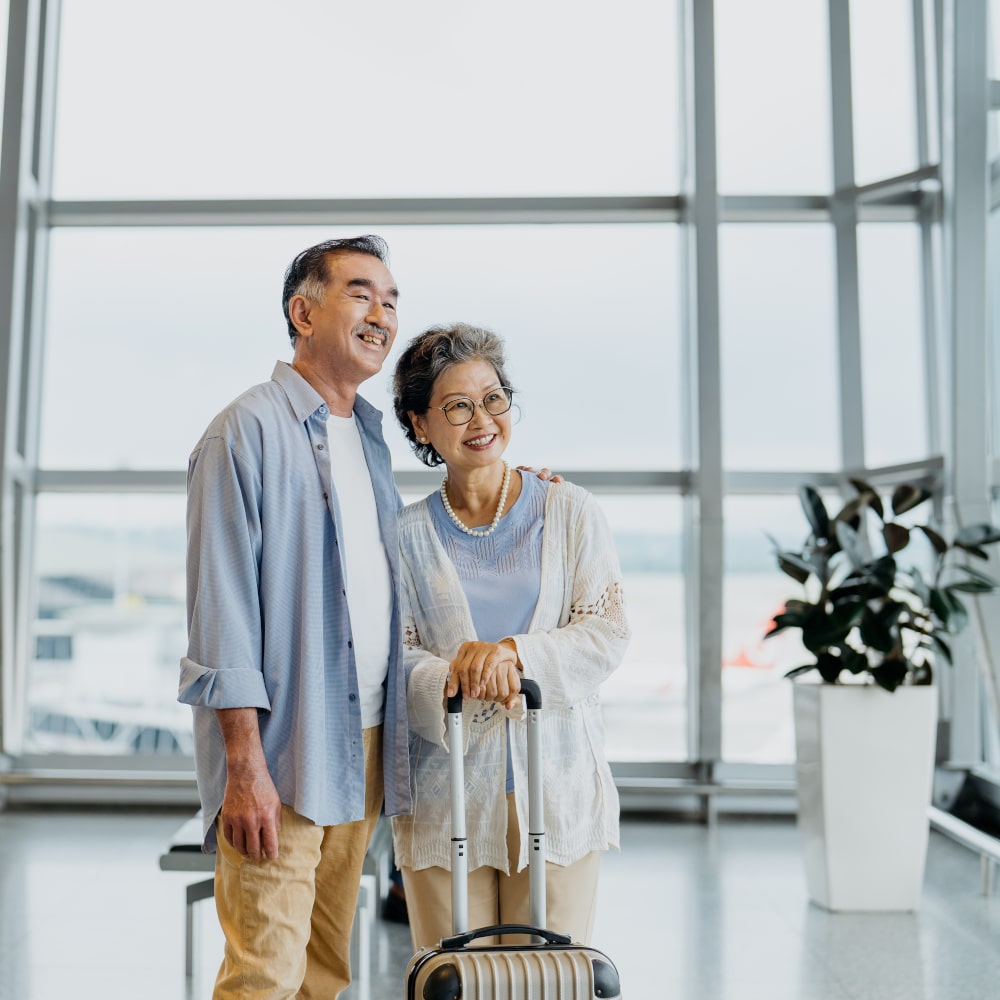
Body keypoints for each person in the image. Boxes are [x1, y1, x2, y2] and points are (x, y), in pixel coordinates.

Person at [178, 234, 412, 999]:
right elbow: (222, 617)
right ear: (301, 311)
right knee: (265, 974)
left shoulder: (371, 438)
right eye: (360, 293)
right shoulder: (243, 432)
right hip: (283, 750)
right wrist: (244, 768)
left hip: (367, 741)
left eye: (390, 299)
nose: (381, 312)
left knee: (323, 971)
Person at [390, 322, 631, 950]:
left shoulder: (569, 509)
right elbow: (394, 653)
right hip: (446, 796)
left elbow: (606, 631)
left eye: (494, 398)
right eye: (458, 405)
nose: (483, 418)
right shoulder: (404, 535)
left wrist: (510, 655)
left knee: (546, 980)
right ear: (420, 424)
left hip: (557, 784)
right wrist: (453, 674)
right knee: (451, 977)